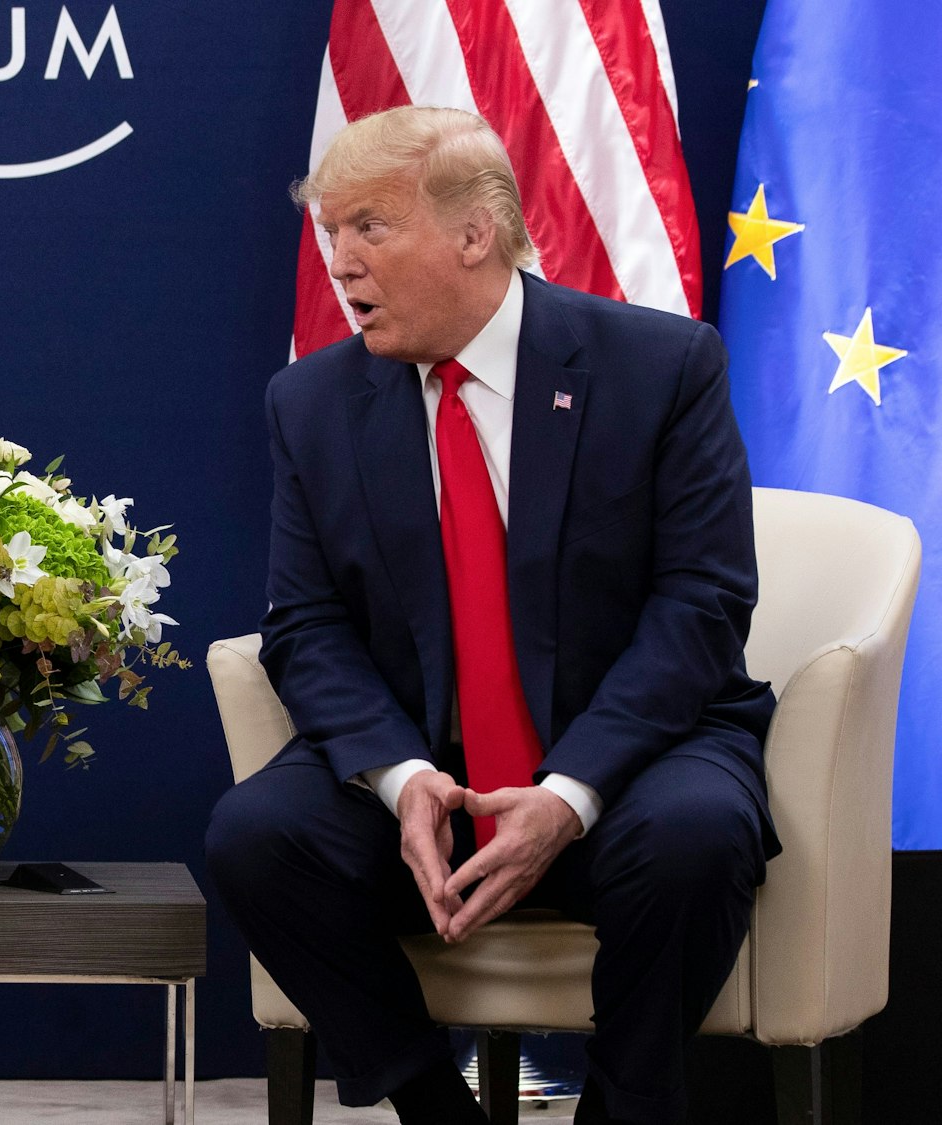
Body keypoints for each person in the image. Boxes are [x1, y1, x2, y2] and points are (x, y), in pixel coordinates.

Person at [205, 106, 777, 1125]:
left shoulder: (660, 368)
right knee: (257, 836)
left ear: (474, 232)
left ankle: (622, 1112)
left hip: (628, 757)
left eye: (369, 227)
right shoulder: (310, 402)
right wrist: (402, 779)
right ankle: (434, 1110)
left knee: (694, 836)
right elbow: (306, 625)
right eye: (330, 233)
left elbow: (702, 602)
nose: (340, 262)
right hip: (432, 767)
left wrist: (568, 791)